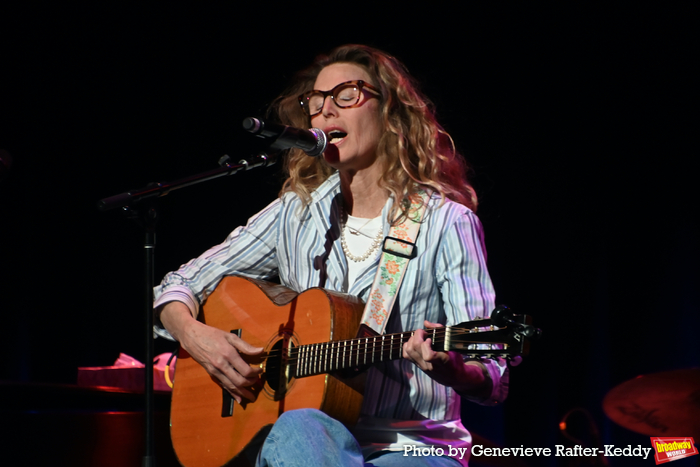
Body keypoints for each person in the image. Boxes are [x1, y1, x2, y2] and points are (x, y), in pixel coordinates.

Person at [154, 44, 508, 467]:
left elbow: (492, 376)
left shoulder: (445, 222)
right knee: (300, 426)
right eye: (316, 102)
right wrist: (198, 337)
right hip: (305, 439)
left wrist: (453, 369)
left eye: (347, 95)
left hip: (411, 448)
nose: (324, 111)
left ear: (390, 114)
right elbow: (179, 285)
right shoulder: (296, 212)